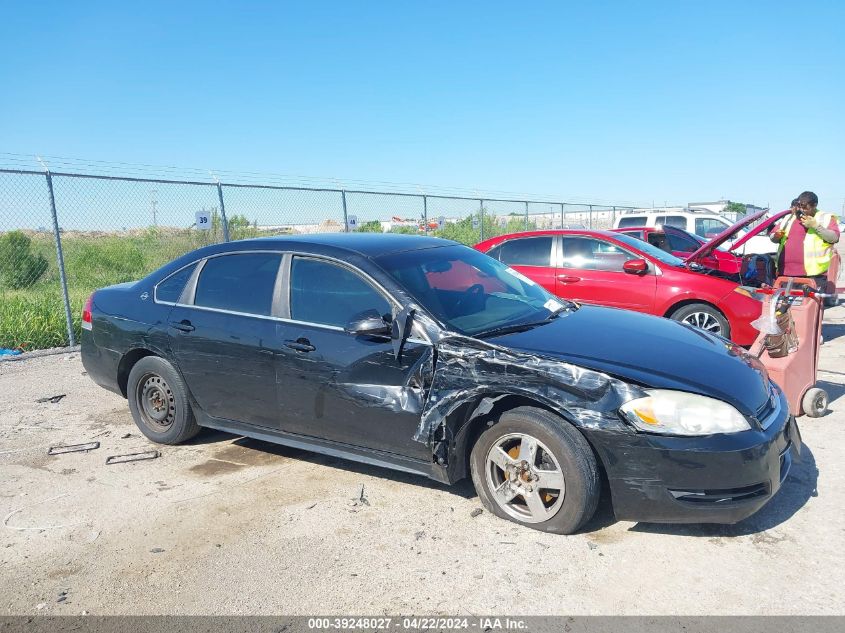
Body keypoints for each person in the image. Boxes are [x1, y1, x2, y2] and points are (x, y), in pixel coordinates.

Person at [770, 191, 840, 290]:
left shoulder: (825, 218)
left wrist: (815, 226)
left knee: (809, 305)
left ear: (814, 205)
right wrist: (776, 236)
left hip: (813, 275)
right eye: (799, 206)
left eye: (804, 207)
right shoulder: (789, 218)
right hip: (786, 273)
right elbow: (772, 237)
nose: (801, 209)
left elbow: (834, 238)